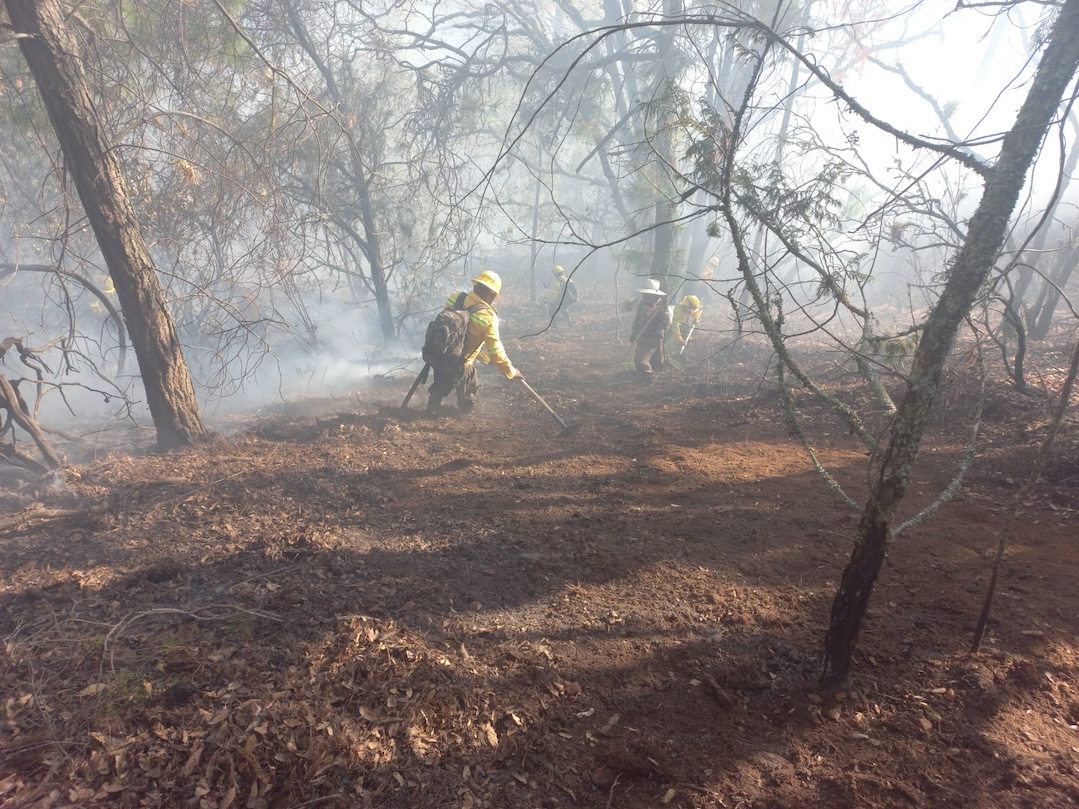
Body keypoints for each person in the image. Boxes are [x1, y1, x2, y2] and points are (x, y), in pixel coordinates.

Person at [427, 270, 523, 414]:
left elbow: (455, 331)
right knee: (469, 387)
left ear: (476, 285)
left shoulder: (455, 297)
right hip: (462, 364)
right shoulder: (488, 318)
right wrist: (511, 372)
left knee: (440, 385)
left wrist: (483, 357)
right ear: (492, 294)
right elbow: (496, 352)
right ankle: (467, 413)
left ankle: (431, 410)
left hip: (439, 356)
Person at [629, 278, 670, 381]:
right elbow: (638, 318)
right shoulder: (643, 302)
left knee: (642, 361)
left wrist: (664, 309)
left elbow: (666, 324)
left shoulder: (661, 306)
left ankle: (650, 377)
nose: (646, 296)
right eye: (645, 294)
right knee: (637, 360)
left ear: (655, 295)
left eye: (649, 294)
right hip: (641, 335)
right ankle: (641, 376)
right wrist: (634, 332)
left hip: (653, 338)